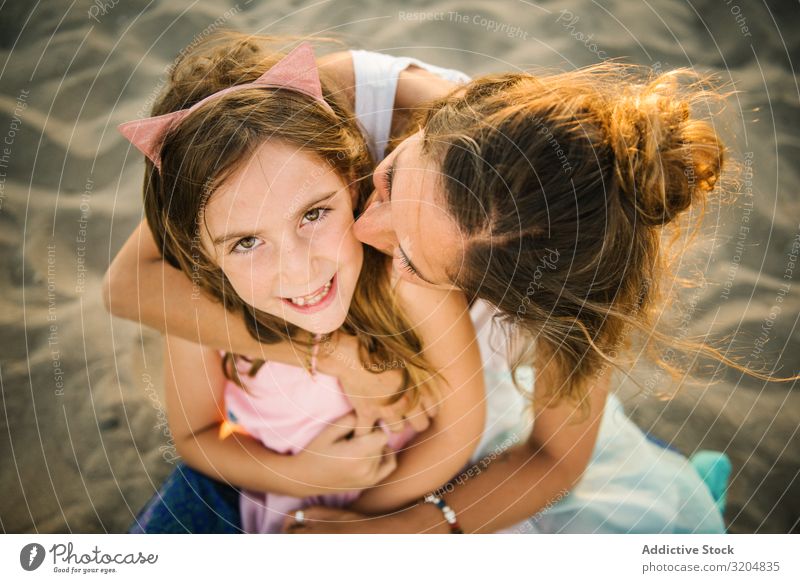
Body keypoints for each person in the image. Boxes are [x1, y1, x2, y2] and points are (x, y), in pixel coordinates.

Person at [108, 34, 730, 534]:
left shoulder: (568, 287)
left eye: (407, 254)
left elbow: (551, 457)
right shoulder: (304, 115)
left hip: (453, 424)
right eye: (389, 179)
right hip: (288, 445)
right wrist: (334, 357)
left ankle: (671, 474)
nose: (363, 226)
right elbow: (134, 285)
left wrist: (387, 531)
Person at [115, 35, 486, 533]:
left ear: (354, 182)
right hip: (260, 500)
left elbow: (459, 430)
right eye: (245, 242)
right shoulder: (198, 311)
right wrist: (300, 475)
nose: (298, 269)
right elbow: (197, 435)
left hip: (397, 502)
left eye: (313, 213)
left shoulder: (407, 279)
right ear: (199, 252)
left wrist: (352, 521)